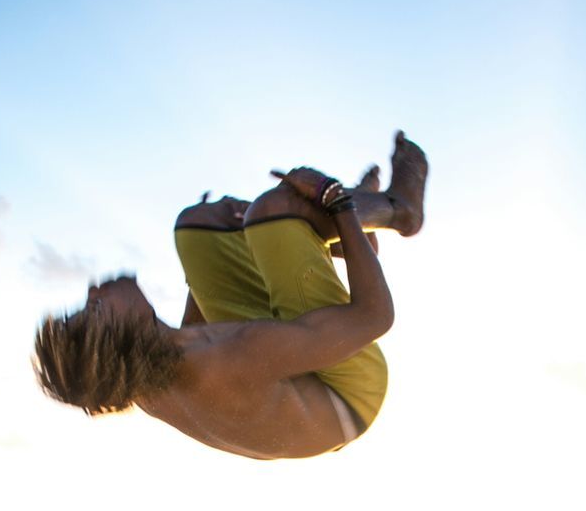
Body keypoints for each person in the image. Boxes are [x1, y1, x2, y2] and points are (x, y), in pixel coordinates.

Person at [33, 131, 427, 459]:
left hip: (273, 367)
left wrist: (212, 258)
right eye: (95, 307)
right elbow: (374, 316)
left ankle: (333, 237)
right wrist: (334, 198)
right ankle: (399, 210)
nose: (92, 290)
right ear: (125, 332)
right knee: (278, 207)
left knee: (199, 226)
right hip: (347, 388)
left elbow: (194, 330)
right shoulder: (230, 357)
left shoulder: (143, 377)